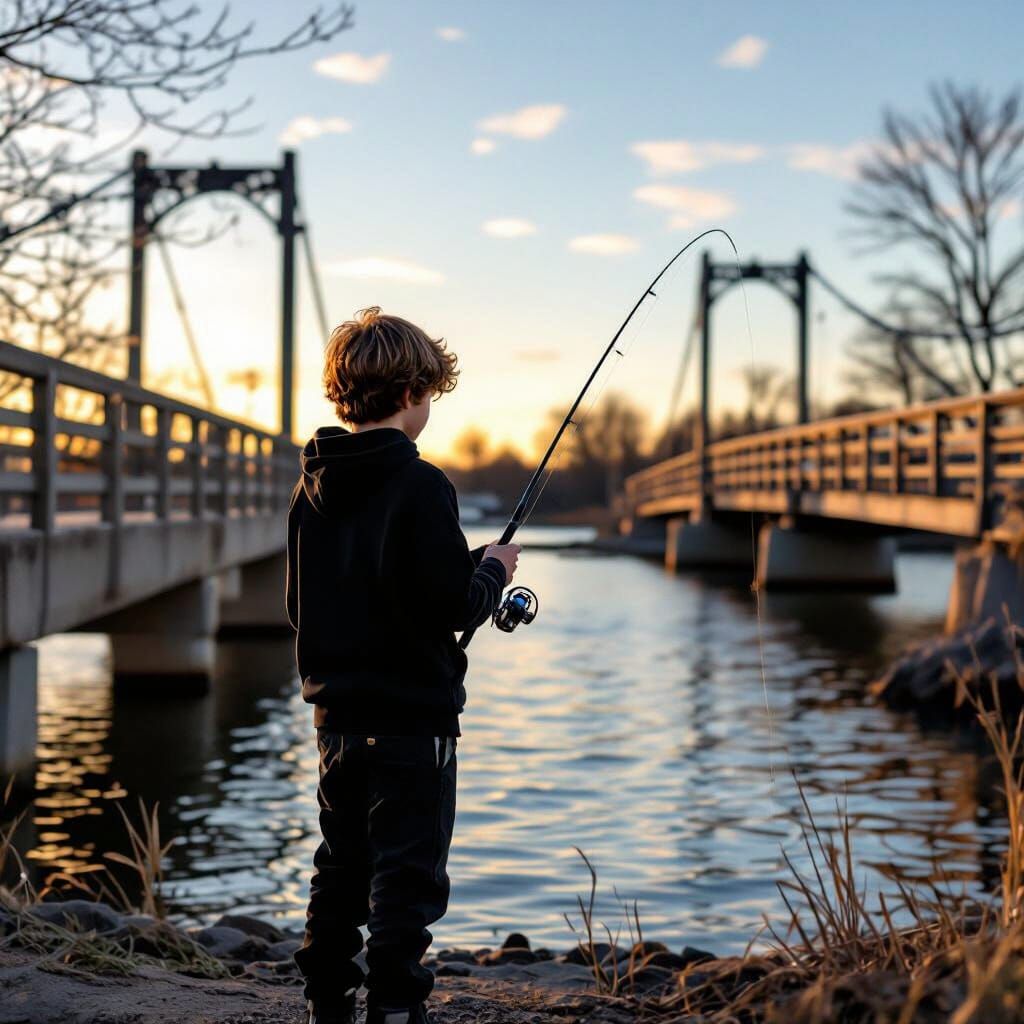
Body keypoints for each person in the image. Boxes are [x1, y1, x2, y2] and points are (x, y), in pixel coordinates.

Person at [286, 307, 521, 1024]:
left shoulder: (310, 488)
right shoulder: (421, 484)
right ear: (415, 392)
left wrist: (465, 573)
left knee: (341, 869)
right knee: (406, 878)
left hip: (337, 723)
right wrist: (492, 573)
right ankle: (392, 1009)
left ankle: (326, 1004)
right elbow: (450, 603)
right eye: (431, 396)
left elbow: (305, 608)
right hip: (414, 723)